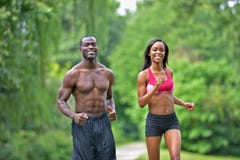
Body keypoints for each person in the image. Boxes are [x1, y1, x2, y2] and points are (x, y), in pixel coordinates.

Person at [57, 35, 117, 160]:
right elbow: (61, 100)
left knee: (109, 156)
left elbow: (109, 97)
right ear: (80, 49)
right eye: (86, 45)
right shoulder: (73, 74)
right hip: (83, 123)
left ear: (97, 48)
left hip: (103, 122)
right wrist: (74, 116)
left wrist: (112, 109)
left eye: (93, 44)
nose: (91, 47)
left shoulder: (107, 73)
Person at [137, 38, 195, 160]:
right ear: (149, 53)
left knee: (176, 158)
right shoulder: (144, 75)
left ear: (165, 53)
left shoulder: (169, 72)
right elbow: (141, 103)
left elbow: (168, 96)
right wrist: (155, 87)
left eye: (161, 50)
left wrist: (184, 104)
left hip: (171, 120)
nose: (158, 52)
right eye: (155, 49)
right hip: (154, 122)